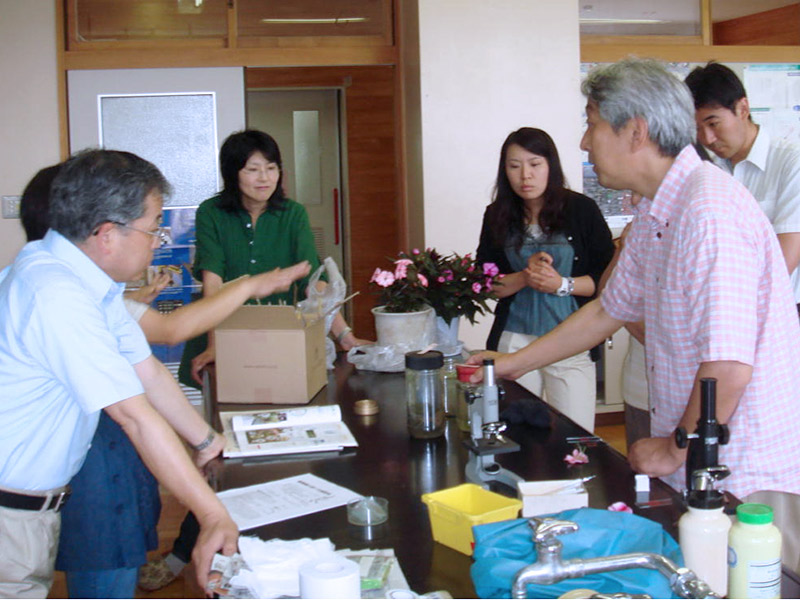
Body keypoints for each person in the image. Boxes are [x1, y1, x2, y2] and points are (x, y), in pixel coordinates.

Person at [468, 57, 800, 500]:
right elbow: (608, 309)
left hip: (742, 476)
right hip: (699, 463)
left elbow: (728, 365)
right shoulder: (655, 210)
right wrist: (509, 364)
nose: (585, 142)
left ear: (636, 131)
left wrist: (672, 449)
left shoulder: (708, 213)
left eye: (592, 124)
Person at [14, 162, 310, 598]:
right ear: (107, 232)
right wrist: (211, 514)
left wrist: (208, 442)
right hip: (13, 513)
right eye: (155, 229)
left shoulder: (89, 285)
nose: (159, 243)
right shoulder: (54, 292)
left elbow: (147, 370)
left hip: (33, 508)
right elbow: (133, 415)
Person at [179, 129, 369, 388]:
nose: (264, 178)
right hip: (225, 329)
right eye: (253, 170)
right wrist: (215, 345)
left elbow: (314, 282)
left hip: (278, 333)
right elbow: (212, 281)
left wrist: (344, 335)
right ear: (232, 173)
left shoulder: (293, 214)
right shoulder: (211, 213)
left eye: (271, 168)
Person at [476, 127, 614, 432]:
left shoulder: (582, 210)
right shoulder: (496, 214)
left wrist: (561, 284)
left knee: (575, 436)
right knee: (514, 434)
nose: (525, 175)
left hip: (570, 341)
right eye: (514, 166)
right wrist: (525, 277)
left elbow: (606, 282)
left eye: (534, 164)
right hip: (514, 340)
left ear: (550, 166)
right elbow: (485, 285)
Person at [685, 62, 800, 313]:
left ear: (743, 108)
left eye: (713, 123)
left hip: (782, 310)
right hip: (725, 312)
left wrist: (731, 306)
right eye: (697, 129)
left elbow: (785, 257)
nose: (707, 139)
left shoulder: (791, 162)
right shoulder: (706, 173)